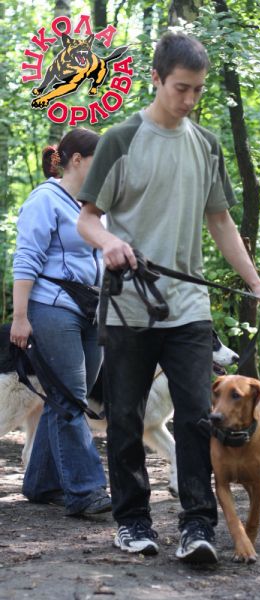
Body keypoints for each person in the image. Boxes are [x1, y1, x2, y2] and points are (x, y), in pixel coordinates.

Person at [77, 32, 260, 563]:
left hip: (188, 309)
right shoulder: (120, 140)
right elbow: (88, 219)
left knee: (199, 415)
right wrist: (109, 243)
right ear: (156, 78)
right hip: (129, 307)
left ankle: (197, 526)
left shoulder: (207, 144)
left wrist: (256, 283)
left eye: (198, 90)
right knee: (126, 418)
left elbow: (221, 222)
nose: (189, 99)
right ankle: (133, 522)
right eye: (180, 88)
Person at [10, 128, 111, 517]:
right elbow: (26, 258)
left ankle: (41, 483)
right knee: (71, 396)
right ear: (77, 160)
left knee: (66, 397)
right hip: (51, 306)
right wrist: (21, 317)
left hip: (94, 309)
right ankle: (86, 490)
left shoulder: (97, 205)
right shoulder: (44, 199)